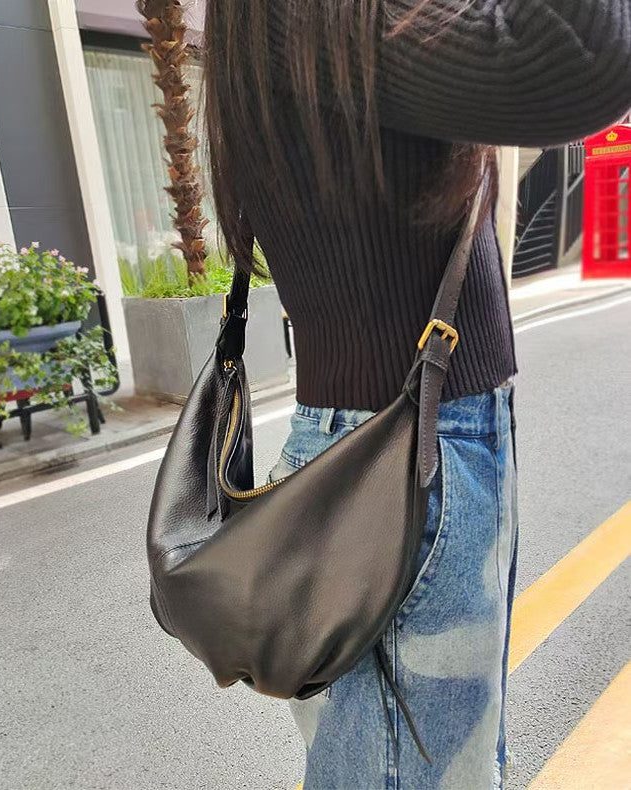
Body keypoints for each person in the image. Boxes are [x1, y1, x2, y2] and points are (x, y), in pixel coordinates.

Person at [202, 3, 631, 787]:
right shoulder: (311, 16)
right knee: (415, 770)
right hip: (401, 460)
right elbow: (577, 56)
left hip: (394, 446)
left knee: (404, 763)